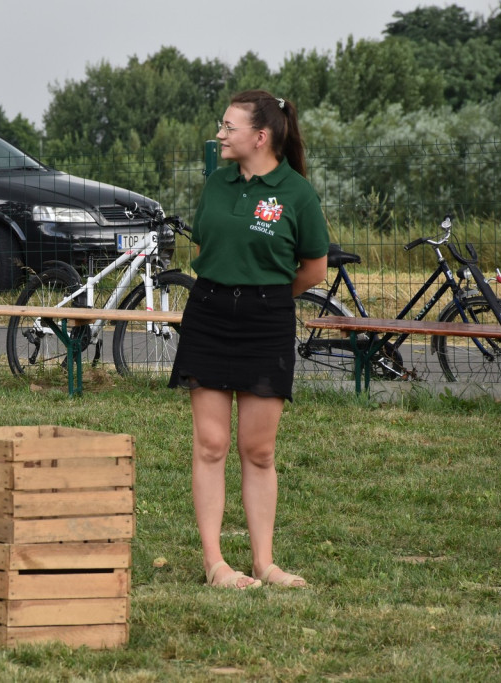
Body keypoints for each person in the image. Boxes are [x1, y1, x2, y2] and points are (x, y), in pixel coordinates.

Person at [169, 90, 329, 590]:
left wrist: (268, 297)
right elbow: (212, 247)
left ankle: (265, 564)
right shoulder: (217, 184)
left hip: (266, 321)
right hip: (209, 313)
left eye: (228, 126)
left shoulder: (297, 193)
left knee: (258, 450)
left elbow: (314, 270)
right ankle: (215, 564)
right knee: (211, 444)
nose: (220, 133)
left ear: (260, 137)